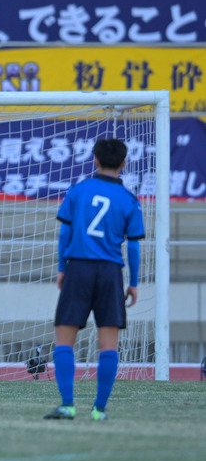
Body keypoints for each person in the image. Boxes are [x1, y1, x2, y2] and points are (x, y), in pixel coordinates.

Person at [45, 138, 145, 422]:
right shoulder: (129, 199)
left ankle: (67, 405)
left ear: (95, 161)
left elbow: (65, 234)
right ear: (123, 164)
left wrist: (62, 267)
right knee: (108, 344)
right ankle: (99, 410)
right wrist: (134, 282)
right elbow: (134, 246)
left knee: (64, 339)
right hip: (111, 272)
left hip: (78, 268)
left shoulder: (79, 191)